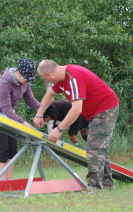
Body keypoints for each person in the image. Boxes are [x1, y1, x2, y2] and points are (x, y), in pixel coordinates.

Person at [33, 60, 119, 194]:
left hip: (105, 109)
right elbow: (50, 94)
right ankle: (107, 184)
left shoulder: (74, 78)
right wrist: (39, 114)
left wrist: (59, 129)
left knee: (94, 147)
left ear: (50, 75)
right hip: (92, 112)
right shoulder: (61, 79)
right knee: (99, 147)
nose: (48, 82)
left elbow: (76, 109)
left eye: (45, 79)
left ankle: (94, 187)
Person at [0, 58, 40, 181]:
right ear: (19, 73)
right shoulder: (4, 82)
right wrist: (24, 124)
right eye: (26, 79)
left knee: (12, 149)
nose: (27, 82)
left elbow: (30, 100)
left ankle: (8, 181)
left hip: (9, 111)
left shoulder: (26, 81)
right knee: (3, 148)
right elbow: (5, 109)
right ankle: (2, 181)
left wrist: (42, 112)